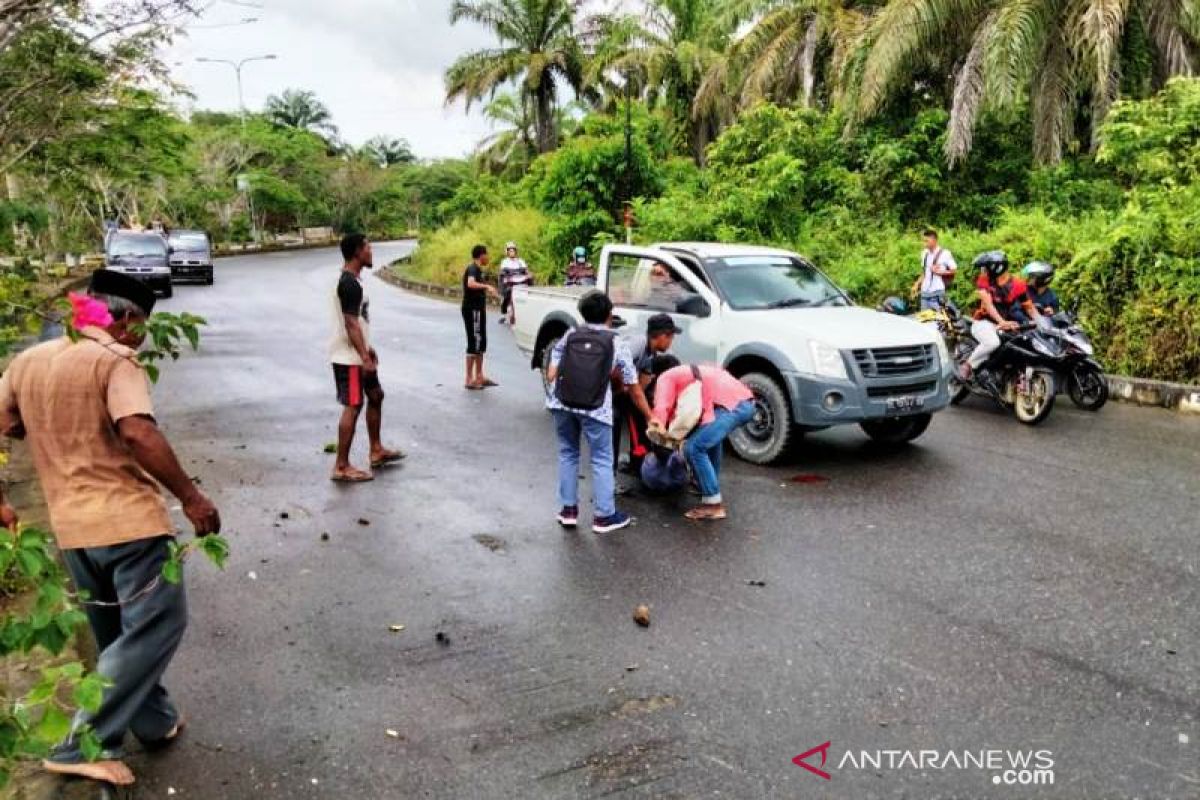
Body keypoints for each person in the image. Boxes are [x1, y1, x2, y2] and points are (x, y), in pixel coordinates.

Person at [0, 269, 221, 787]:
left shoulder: (27, 362)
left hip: (73, 532)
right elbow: (138, 433)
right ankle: (81, 745)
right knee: (154, 627)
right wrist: (192, 497)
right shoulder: (115, 360)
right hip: (129, 527)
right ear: (122, 319)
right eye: (141, 325)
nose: (141, 336)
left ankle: (154, 720)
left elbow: (6, 426)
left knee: (115, 636)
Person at [546, 291, 652, 534]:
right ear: (609, 314)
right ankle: (604, 517)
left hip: (561, 402)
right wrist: (649, 415)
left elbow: (555, 357)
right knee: (602, 458)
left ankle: (568, 511)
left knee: (568, 453)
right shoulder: (616, 341)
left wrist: (552, 373)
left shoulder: (571, 334)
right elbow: (634, 388)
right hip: (595, 407)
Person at [329, 233, 404, 482]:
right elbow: (350, 323)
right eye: (368, 248)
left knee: (375, 395)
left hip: (359, 353)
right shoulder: (348, 283)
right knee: (353, 405)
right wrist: (363, 356)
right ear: (357, 253)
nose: (371, 253)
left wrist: (368, 348)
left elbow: (358, 319)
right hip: (349, 357)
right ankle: (341, 466)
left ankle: (376, 450)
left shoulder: (355, 281)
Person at [648, 361, 755, 521]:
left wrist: (657, 431)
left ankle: (713, 504)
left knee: (694, 448)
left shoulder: (665, 377)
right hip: (744, 402)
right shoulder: (692, 370)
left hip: (732, 406)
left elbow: (662, 409)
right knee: (709, 441)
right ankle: (706, 485)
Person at [613, 313, 681, 475]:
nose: (671, 342)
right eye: (671, 337)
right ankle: (611, 478)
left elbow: (640, 388)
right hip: (605, 389)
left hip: (621, 389)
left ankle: (638, 460)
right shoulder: (638, 344)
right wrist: (625, 388)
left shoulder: (650, 354)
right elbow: (615, 368)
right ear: (662, 336)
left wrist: (650, 415)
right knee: (614, 428)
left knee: (639, 411)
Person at [962, 250, 1042, 380]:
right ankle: (968, 365)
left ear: (996, 268)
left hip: (1006, 324)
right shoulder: (984, 280)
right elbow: (988, 305)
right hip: (984, 322)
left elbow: (1029, 307)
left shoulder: (1018, 285)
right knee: (992, 343)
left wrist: (1042, 323)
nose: (983, 271)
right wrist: (1002, 322)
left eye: (986, 268)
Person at [462, 244, 500, 390]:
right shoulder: (472, 268)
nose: (488, 257)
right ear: (481, 255)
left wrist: (489, 291)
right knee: (474, 342)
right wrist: (486, 287)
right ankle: (468, 378)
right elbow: (470, 284)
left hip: (479, 310)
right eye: (487, 254)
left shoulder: (478, 270)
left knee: (481, 342)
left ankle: (479, 375)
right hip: (472, 311)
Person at [912, 229, 957, 310]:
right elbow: (924, 272)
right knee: (925, 320)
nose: (924, 243)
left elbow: (954, 270)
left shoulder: (945, 253)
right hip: (924, 293)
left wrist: (940, 272)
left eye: (926, 241)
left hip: (937, 293)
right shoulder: (924, 253)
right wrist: (916, 284)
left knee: (939, 320)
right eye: (923, 241)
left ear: (934, 240)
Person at [498, 241, 532, 325]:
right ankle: (504, 312)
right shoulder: (504, 262)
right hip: (510, 283)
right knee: (507, 294)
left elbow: (526, 271)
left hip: (521, 282)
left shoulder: (521, 261)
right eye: (510, 250)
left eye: (513, 250)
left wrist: (529, 275)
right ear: (507, 252)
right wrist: (505, 276)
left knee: (528, 292)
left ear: (516, 251)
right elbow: (502, 273)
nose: (512, 252)